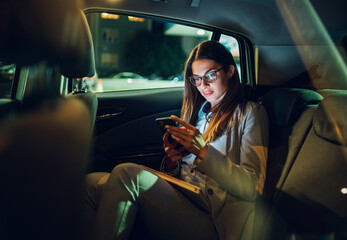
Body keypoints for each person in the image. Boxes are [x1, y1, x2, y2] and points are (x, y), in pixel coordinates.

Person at [83, 40, 269, 240]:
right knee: (91, 182)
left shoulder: (250, 112)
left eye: (210, 76)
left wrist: (204, 152)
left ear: (230, 71)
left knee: (127, 174)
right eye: (196, 79)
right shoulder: (200, 113)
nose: (203, 85)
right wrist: (172, 162)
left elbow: (252, 187)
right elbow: (185, 174)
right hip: (187, 196)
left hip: (215, 217)